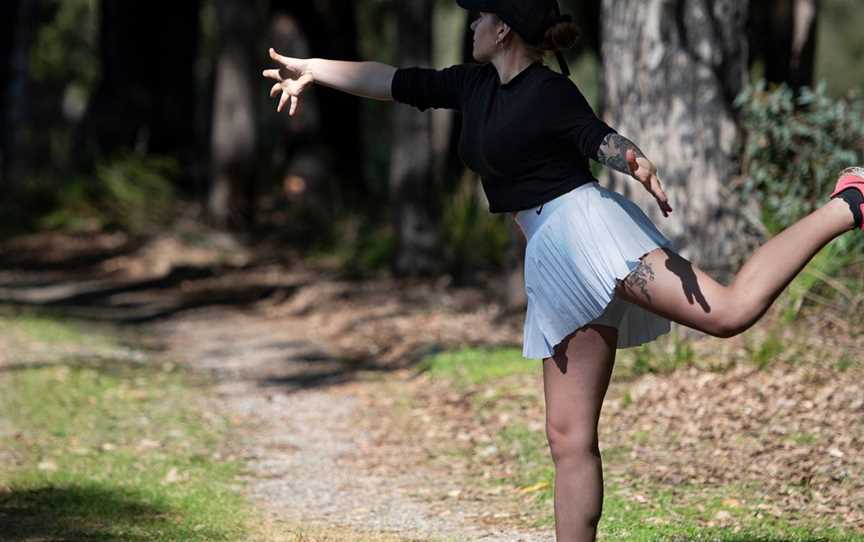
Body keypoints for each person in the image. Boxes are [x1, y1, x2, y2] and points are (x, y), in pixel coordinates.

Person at [263, 0, 863, 540]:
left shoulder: (549, 92)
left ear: (502, 29)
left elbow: (596, 138)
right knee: (568, 437)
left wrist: (632, 158)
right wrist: (314, 69)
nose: (470, 23)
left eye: (478, 16)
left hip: (586, 233)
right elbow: (393, 81)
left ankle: (848, 203)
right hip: (550, 252)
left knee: (729, 311)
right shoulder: (473, 86)